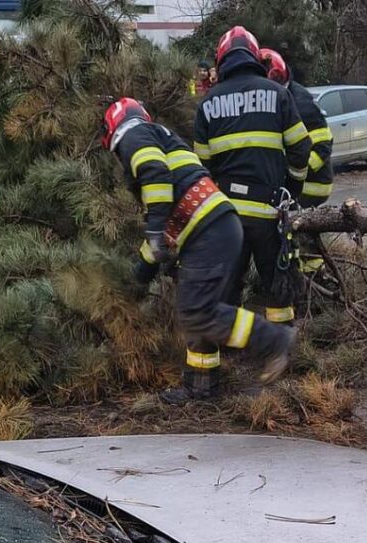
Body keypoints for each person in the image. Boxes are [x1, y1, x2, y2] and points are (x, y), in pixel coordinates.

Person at [101, 97, 295, 404]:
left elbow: (154, 174)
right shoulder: (157, 137)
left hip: (209, 231)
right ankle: (201, 386)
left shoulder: (134, 135)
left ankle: (273, 340)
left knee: (198, 310)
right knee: (192, 309)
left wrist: (153, 231)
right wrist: (141, 270)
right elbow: (165, 222)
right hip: (212, 229)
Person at [193, 26, 312, 331]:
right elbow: (301, 147)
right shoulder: (278, 94)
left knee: (229, 286)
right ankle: (281, 348)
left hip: (227, 216)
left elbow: (201, 167)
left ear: (222, 60)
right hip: (269, 211)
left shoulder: (207, 104)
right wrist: (293, 188)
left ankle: (232, 347)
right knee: (278, 285)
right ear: (253, 57)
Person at [259, 48, 333, 208]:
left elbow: (323, 145)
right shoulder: (285, 95)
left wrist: (294, 173)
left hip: (311, 186)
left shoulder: (299, 103)